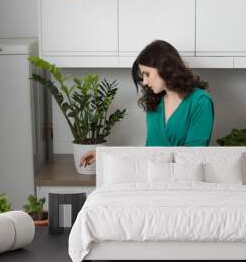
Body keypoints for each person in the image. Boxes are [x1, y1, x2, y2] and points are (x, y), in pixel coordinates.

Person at [79, 40, 214, 167]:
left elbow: (194, 156)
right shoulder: (154, 102)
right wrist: (104, 154)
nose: (144, 82)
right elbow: (149, 152)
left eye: (147, 74)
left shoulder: (200, 101)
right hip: (153, 180)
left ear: (165, 68)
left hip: (185, 183)